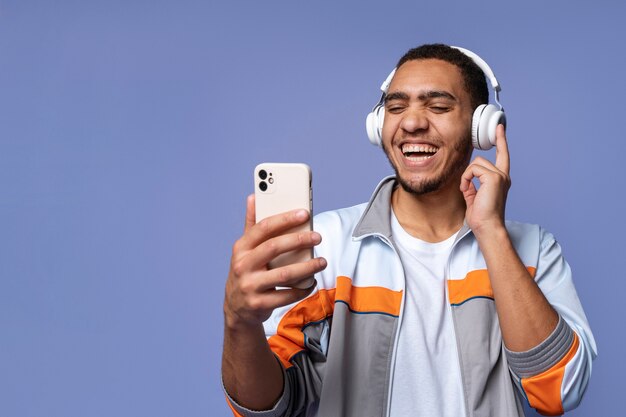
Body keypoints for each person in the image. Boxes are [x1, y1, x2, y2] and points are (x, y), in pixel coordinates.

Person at [221, 44, 596, 417]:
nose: (412, 122)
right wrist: (239, 323)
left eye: (438, 106)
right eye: (396, 107)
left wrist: (492, 233)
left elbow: (559, 390)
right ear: (378, 126)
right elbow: (265, 408)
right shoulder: (325, 246)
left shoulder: (533, 250)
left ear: (482, 126)